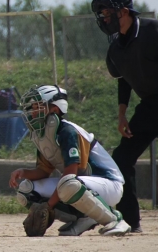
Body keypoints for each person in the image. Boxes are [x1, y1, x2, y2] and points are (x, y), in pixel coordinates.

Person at [91, 0, 158, 232]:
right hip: (149, 105)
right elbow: (123, 81)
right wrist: (122, 115)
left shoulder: (151, 30)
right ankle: (130, 221)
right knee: (121, 159)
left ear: (124, 12)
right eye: (102, 14)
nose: (105, 18)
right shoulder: (116, 48)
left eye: (108, 12)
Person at [9, 84, 131, 237]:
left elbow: (71, 173)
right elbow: (44, 171)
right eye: (32, 108)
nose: (33, 112)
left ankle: (115, 219)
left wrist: (48, 206)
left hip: (109, 184)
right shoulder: (45, 134)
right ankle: (84, 218)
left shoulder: (68, 131)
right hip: (82, 183)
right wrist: (23, 172)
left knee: (68, 183)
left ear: (54, 109)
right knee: (26, 190)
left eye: (38, 107)